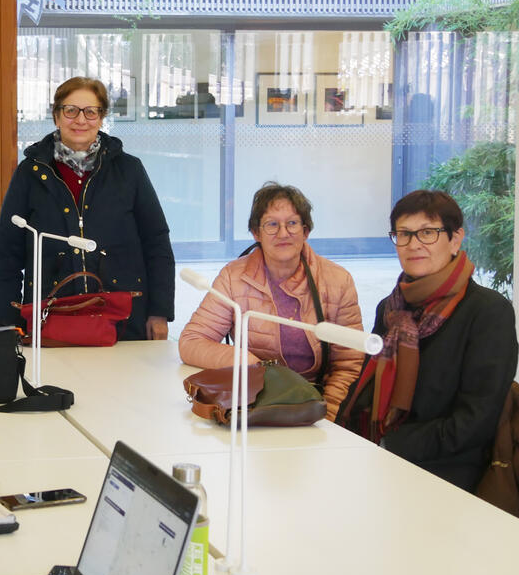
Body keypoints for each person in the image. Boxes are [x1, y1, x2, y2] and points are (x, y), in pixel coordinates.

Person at [337, 190, 518, 490]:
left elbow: (477, 420)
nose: (414, 244)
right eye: (404, 234)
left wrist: (389, 444)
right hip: (381, 457)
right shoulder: (391, 307)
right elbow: (364, 385)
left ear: (455, 239)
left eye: (428, 233)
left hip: (451, 471)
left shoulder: (487, 311)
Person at [0, 76, 175, 341]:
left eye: (91, 111)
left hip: (123, 319)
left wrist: (159, 312)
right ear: (56, 116)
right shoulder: (29, 173)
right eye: (71, 110)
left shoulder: (129, 170)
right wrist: (9, 323)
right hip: (51, 320)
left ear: (102, 118)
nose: (80, 120)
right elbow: (7, 256)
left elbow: (157, 243)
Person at [178, 182, 363, 419]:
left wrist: (327, 416)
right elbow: (191, 341)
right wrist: (252, 365)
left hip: (316, 405)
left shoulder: (338, 280)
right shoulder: (234, 277)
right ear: (256, 233)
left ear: (306, 231)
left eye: (293, 223)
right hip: (254, 403)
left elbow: (349, 363)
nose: (283, 233)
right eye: (272, 224)